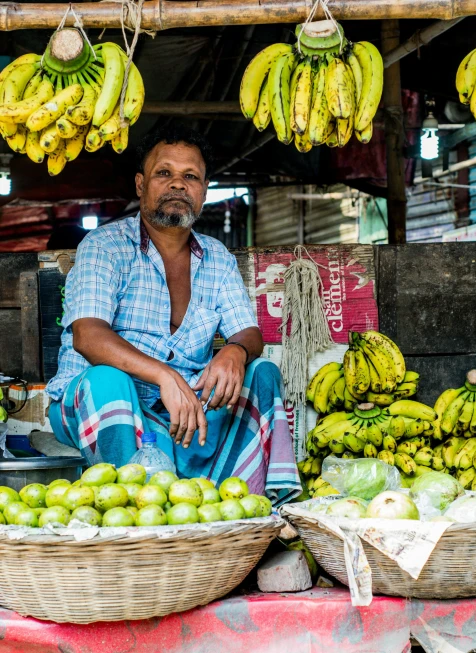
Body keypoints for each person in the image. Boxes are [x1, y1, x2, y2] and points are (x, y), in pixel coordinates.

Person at [45, 124, 300, 505]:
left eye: (190, 176)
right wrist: (164, 375)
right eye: (164, 173)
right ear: (140, 185)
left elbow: (248, 332)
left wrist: (235, 352)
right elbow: (88, 336)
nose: (178, 185)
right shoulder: (106, 246)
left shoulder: (216, 257)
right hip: (101, 406)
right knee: (106, 381)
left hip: (185, 415)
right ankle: (132, 512)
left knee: (262, 373)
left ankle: (262, 509)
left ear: (203, 191)